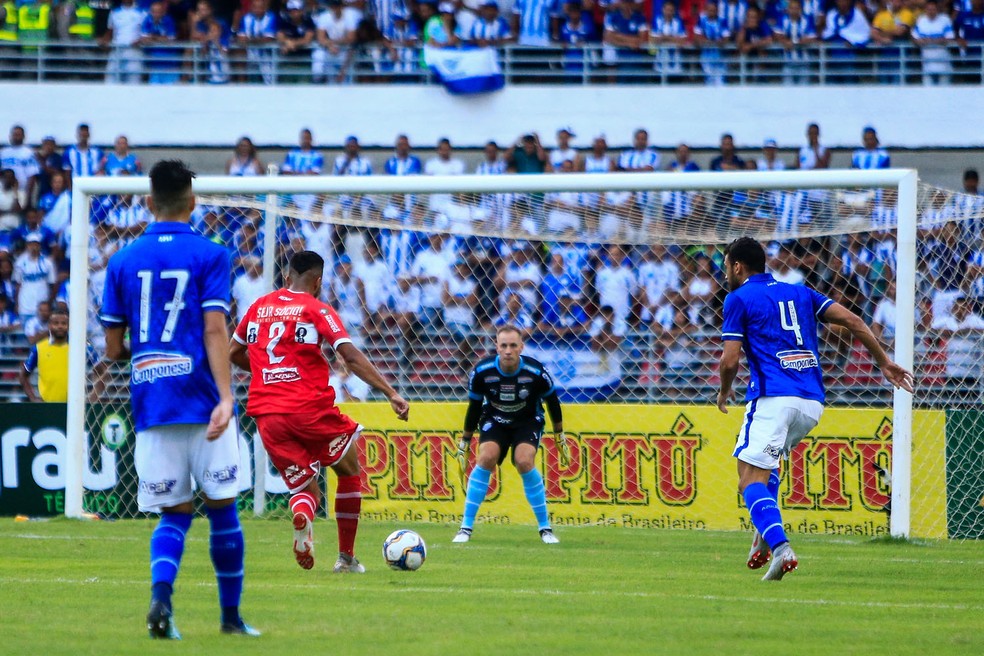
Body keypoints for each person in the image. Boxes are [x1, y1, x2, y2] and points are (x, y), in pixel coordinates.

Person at [100, 160, 259, 638]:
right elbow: (215, 327)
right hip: (204, 399)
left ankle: (161, 601)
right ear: (193, 202)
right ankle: (230, 620)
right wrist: (227, 398)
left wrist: (145, 352)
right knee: (223, 509)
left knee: (174, 514)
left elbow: (111, 349)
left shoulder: (121, 260)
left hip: (154, 402)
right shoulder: (211, 253)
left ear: (149, 203)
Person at [716, 237, 913, 581]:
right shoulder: (801, 292)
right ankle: (764, 535)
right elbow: (853, 320)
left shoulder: (738, 298)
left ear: (737, 266)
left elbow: (730, 360)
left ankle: (780, 547)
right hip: (811, 402)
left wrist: (723, 393)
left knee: (747, 481)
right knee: (768, 467)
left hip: (773, 396)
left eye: (725, 267)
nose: (725, 274)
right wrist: (884, 362)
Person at [230, 250, 410, 573]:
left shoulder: (257, 308)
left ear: (286, 278)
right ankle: (346, 559)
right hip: (308, 408)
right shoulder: (317, 309)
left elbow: (234, 352)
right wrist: (390, 392)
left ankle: (303, 515)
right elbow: (350, 357)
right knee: (349, 468)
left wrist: (265, 374)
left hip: (267, 414)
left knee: (306, 489)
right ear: (318, 281)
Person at [452, 325, 567, 545]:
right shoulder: (482, 371)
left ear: (521, 347)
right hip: (495, 419)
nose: (508, 350)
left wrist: (559, 434)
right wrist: (465, 440)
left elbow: (552, 401)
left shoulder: (535, 372)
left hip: (527, 420)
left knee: (524, 461)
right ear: (496, 347)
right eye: (503, 345)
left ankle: (545, 528)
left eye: (513, 345)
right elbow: (475, 407)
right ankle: (465, 527)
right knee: (486, 458)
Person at [19, 306, 69, 402]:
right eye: (56, 323)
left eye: (64, 323)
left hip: (74, 407)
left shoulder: (78, 348)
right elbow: (23, 375)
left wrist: (92, 397)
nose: (60, 326)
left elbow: (100, 371)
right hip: (47, 407)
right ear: (49, 325)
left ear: (69, 325)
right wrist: (33, 398)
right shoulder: (38, 348)